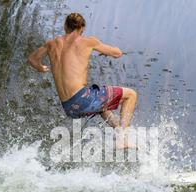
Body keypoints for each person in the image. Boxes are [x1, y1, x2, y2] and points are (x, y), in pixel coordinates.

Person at [28, 13, 138, 149]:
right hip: (83, 99)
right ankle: (123, 139)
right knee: (131, 94)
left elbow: (32, 59)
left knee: (102, 107)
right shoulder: (88, 41)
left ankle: (119, 132)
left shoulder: (51, 44)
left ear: (65, 26)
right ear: (83, 28)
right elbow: (117, 53)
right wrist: (104, 49)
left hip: (69, 107)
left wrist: (42, 68)